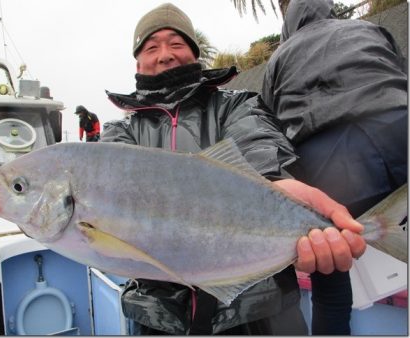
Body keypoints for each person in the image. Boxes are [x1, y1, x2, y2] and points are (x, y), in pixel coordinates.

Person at [101, 3, 366, 335]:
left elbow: (257, 147)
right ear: (138, 63)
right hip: (158, 319)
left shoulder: (238, 105)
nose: (165, 54)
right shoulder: (119, 134)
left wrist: (273, 183)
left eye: (177, 43)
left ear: (195, 54)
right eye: (151, 47)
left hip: (257, 316)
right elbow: (112, 190)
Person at [262, 0, 407, 334]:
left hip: (331, 161)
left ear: (288, 26)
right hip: (400, 124)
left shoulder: (279, 58)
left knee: (330, 269)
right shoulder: (368, 28)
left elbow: (269, 126)